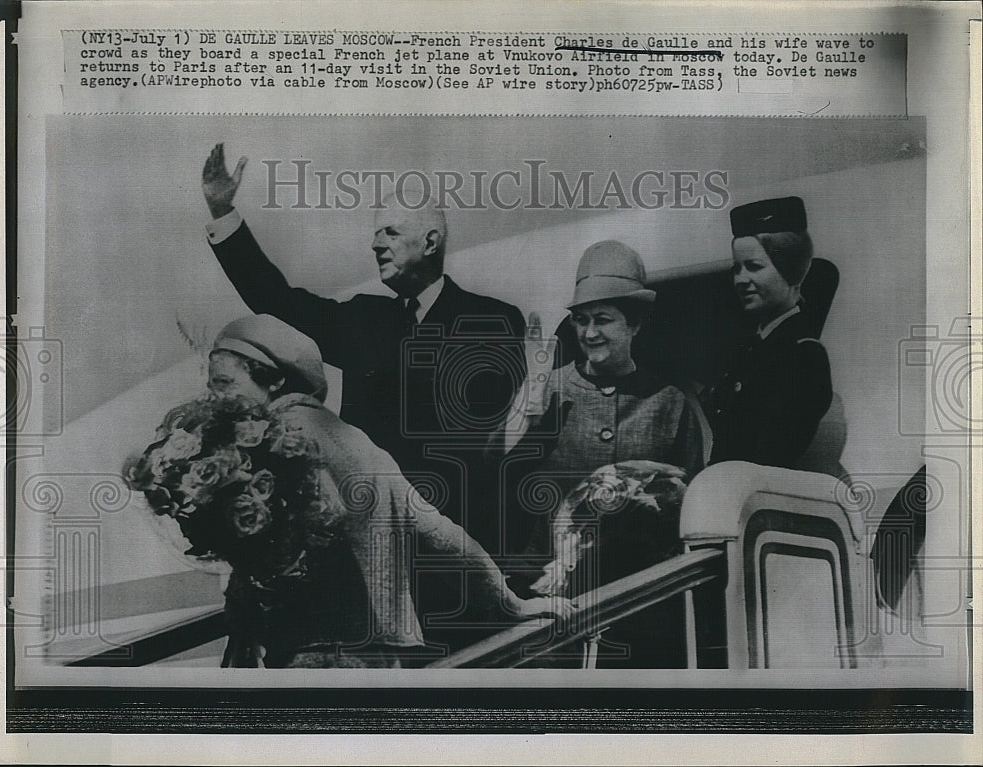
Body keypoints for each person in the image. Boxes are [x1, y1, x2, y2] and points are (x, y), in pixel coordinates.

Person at [127, 314, 570, 668]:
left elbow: (268, 558)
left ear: (274, 379)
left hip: (314, 655)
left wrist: (243, 627)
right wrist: (509, 603)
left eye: (223, 382)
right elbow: (437, 530)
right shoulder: (353, 438)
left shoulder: (274, 443)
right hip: (382, 653)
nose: (213, 396)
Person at [200, 144, 526, 557]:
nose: (376, 244)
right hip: (367, 533)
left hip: (457, 537)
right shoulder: (363, 319)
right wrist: (222, 213)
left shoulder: (492, 320)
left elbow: (474, 430)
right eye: (375, 233)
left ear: (430, 242)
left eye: (390, 232)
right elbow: (277, 300)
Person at [500, 241, 705, 667]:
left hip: (639, 604)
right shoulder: (548, 389)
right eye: (580, 320)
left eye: (603, 320)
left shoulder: (668, 403)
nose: (588, 333)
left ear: (635, 325)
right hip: (549, 603)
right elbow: (494, 479)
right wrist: (522, 413)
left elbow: (687, 506)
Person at [707, 196, 833, 468]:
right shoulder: (751, 350)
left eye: (754, 267)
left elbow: (772, 454)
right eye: (736, 269)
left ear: (790, 270)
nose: (741, 280)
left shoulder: (803, 355)